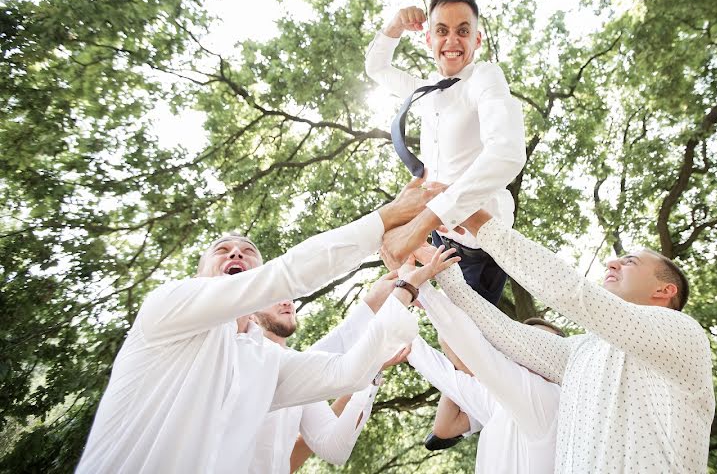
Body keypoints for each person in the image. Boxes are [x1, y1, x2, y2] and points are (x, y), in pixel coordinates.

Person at [75, 178, 455, 473]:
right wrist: (385, 220)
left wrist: (403, 287)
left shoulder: (264, 359)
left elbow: (345, 371)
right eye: (222, 250)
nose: (236, 252)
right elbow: (286, 275)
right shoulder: (167, 309)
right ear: (199, 273)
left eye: (247, 251)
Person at [427, 210, 715, 473]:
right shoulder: (579, 351)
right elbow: (503, 333)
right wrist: (439, 272)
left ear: (664, 290)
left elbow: (573, 293)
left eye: (630, 262)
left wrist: (478, 221)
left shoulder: (682, 333)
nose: (612, 262)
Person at [365, 0, 527, 305]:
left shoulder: (485, 77)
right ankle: (414, 285)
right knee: (383, 248)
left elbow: (507, 152)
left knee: (471, 339)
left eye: (462, 31)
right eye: (442, 31)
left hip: (480, 242)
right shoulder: (424, 91)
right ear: (428, 40)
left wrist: (420, 224)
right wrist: (395, 25)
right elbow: (377, 68)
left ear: (477, 40)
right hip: (439, 232)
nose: (452, 41)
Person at [404, 252, 563, 473]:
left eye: (542, 343)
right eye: (525, 339)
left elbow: (474, 352)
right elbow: (450, 378)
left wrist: (416, 287)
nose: (528, 350)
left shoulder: (549, 400)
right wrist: (404, 339)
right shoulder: (499, 404)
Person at [247, 283, 407, 473]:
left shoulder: (299, 374)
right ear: (250, 315)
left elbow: (335, 450)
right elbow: (335, 347)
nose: (286, 302)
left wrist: (374, 369)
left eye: (290, 297)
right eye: (273, 297)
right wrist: (377, 302)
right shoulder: (241, 360)